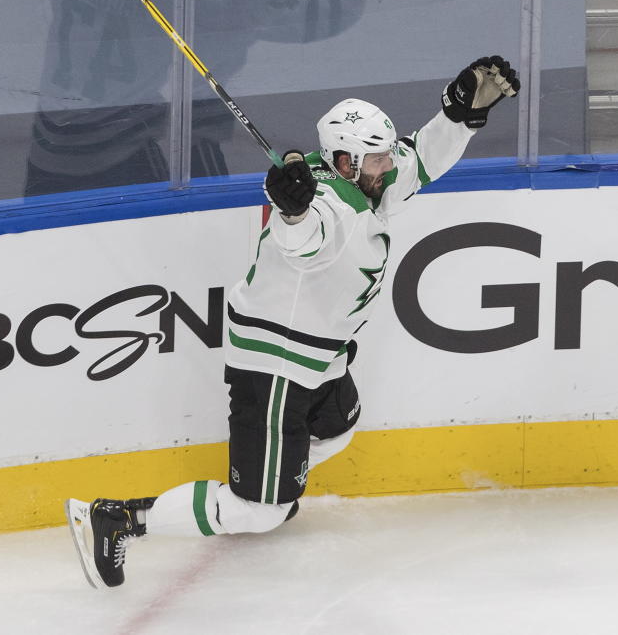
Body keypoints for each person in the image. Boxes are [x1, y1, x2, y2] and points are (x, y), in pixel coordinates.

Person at [65, 55, 520, 589]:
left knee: (338, 425)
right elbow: (303, 243)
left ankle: (271, 483)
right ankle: (118, 517)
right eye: (375, 160)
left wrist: (460, 116)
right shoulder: (325, 204)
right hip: (277, 365)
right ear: (345, 161)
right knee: (261, 513)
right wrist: (291, 211)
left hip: (319, 357)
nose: (387, 166)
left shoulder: (371, 181)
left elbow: (418, 159)